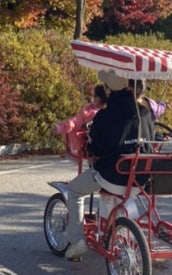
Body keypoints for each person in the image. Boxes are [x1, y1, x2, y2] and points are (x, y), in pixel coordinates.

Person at [63, 69, 141, 259]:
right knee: (121, 191)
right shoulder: (144, 113)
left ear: (109, 90)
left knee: (74, 191)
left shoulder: (104, 116)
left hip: (111, 175)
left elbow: (94, 149)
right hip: (139, 178)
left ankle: (77, 240)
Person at [53, 84, 107, 162]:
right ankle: (74, 152)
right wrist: (60, 128)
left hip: (103, 141)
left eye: (96, 96)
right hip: (89, 141)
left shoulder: (109, 111)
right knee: (73, 129)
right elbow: (75, 121)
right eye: (93, 96)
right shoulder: (88, 110)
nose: (94, 98)